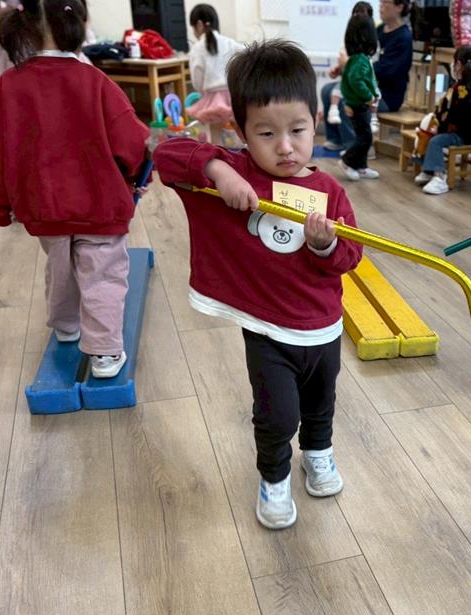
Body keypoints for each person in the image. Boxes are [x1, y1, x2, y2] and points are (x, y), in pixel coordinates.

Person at [154, 40, 363, 530]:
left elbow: (351, 257)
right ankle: (274, 476)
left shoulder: (330, 191)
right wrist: (218, 170)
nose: (284, 147)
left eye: (297, 130)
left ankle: (318, 454)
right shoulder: (238, 171)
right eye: (266, 133)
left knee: (321, 405)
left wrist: (325, 246)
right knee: (276, 415)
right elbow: (166, 153)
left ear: (316, 120)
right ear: (240, 130)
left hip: (323, 328)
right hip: (268, 330)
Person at [0, 0, 149, 379]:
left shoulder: (10, 85)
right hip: (100, 204)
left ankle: (66, 325)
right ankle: (104, 352)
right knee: (102, 274)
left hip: (43, 205)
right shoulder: (94, 81)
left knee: (60, 267)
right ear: (76, 25)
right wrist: (140, 176)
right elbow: (131, 140)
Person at [322, 0, 412, 152]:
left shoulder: (404, 37)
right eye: (380, 2)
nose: (381, 5)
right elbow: (361, 56)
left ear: (399, 7)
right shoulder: (379, 30)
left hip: (386, 95)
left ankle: (357, 150)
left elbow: (387, 72)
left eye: (385, 2)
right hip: (366, 83)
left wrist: (350, 65)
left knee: (346, 98)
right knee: (327, 90)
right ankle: (336, 139)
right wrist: (342, 69)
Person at [413, 44, 471, 195]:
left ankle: (439, 176)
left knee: (436, 141)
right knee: (426, 133)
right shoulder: (460, 87)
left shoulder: (464, 91)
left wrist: (441, 127)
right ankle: (428, 170)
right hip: (456, 131)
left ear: (458, 65)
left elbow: (455, 116)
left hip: (463, 135)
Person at [185, 4, 243, 144]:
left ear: (199, 25)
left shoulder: (197, 48)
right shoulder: (229, 43)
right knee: (240, 130)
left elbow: (197, 79)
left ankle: (217, 155)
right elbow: (247, 55)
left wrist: (202, 92)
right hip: (233, 95)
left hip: (213, 98)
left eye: (193, 28)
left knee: (215, 134)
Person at [336, 15, 381, 180]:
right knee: (365, 138)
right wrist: (369, 96)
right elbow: (356, 81)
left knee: (364, 136)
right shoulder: (361, 60)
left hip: (358, 104)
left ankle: (361, 167)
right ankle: (347, 161)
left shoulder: (356, 59)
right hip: (358, 105)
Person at [326, 2, 376, 129]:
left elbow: (367, 69)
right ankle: (334, 137)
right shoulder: (348, 41)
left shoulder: (372, 41)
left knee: (347, 96)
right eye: (355, 14)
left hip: (363, 80)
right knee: (326, 90)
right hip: (351, 77)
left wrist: (347, 65)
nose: (358, 18)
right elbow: (345, 65)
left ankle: (351, 138)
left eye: (362, 15)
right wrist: (338, 70)